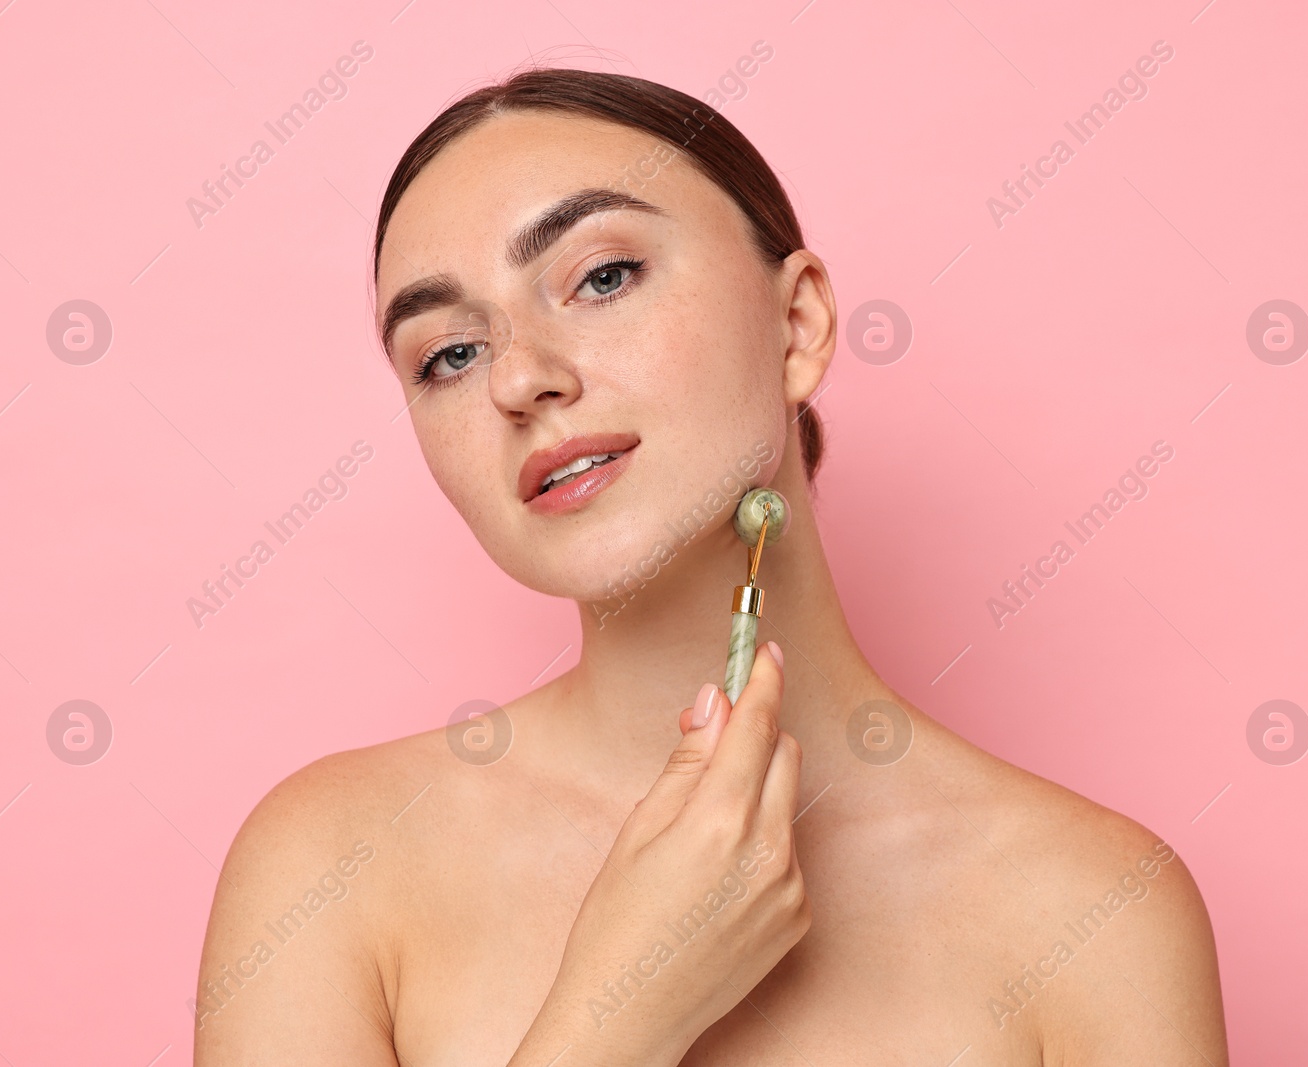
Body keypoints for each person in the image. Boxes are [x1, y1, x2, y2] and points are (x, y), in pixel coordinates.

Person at [194, 68, 1228, 1066]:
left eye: (602, 277)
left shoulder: (1095, 910)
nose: (518, 377)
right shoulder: (329, 869)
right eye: (448, 354)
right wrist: (622, 1008)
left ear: (798, 323)